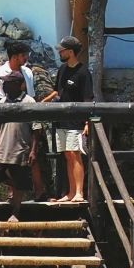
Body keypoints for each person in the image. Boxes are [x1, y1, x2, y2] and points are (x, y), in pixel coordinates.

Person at [38, 36, 90, 203]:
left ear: (70, 52)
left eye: (62, 50)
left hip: (76, 120)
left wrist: (87, 122)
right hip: (61, 119)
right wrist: (44, 102)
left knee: (75, 154)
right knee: (67, 155)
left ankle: (79, 192)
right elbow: (57, 91)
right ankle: (70, 192)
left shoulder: (83, 72)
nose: (59, 52)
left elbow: (88, 98)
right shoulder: (62, 70)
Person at [0, 67, 36, 221]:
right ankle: (21, 185)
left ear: (19, 85)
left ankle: (15, 212)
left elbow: (36, 128)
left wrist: (33, 150)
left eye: (8, 84)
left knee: (19, 177)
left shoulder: (29, 102)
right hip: (2, 148)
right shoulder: (2, 102)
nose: (4, 86)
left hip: (20, 148)